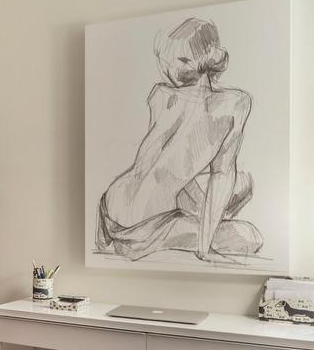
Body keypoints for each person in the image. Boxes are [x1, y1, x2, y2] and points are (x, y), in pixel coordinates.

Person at [96, 17, 263, 264]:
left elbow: (170, 168)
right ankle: (207, 222)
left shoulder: (160, 95)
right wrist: (205, 248)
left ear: (208, 58)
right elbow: (221, 174)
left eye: (182, 60)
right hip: (146, 228)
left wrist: (200, 213)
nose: (170, 69)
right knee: (252, 236)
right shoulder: (235, 104)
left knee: (242, 184)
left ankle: (205, 219)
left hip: (110, 207)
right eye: (167, 60)